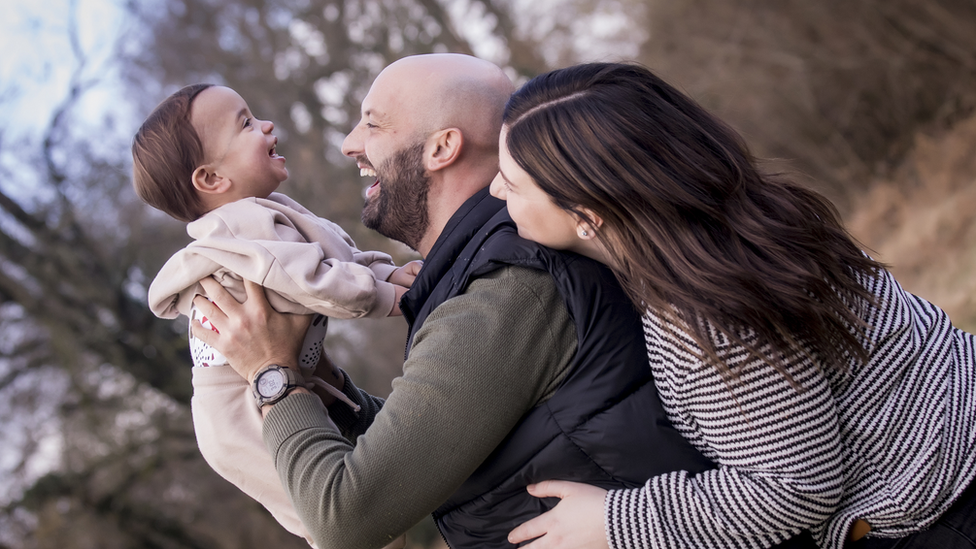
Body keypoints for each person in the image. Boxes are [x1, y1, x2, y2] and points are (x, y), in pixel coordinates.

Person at [184, 53, 800, 549]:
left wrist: (272, 377)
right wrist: (316, 379)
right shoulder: (473, 274)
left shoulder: (508, 286)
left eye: (373, 123)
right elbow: (429, 445)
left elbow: (346, 520)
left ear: (440, 148)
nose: (350, 143)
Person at [487, 62, 976, 549]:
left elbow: (796, 489)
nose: (494, 190)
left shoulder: (701, 313)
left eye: (511, 183)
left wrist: (616, 521)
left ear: (587, 216)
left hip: (944, 507)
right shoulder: (749, 217)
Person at [131, 84, 421, 547]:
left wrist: (388, 271)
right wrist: (388, 298)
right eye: (245, 123)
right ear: (211, 180)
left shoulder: (271, 211)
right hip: (236, 413)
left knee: (369, 499)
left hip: (284, 382)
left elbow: (336, 258)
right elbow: (313, 283)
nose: (266, 125)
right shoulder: (238, 230)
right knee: (334, 518)